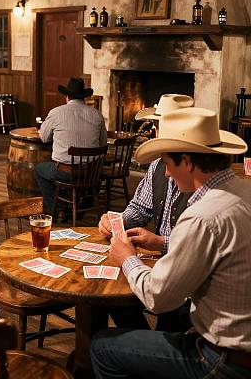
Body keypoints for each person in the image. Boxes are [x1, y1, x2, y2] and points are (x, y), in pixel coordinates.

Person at [91, 107, 251, 378]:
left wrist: (127, 257)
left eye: (167, 163)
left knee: (102, 347)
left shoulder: (202, 216)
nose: (165, 174)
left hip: (221, 359)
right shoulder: (244, 190)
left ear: (187, 162)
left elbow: (157, 298)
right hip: (236, 340)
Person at [98, 94, 195, 331]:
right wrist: (117, 221)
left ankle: (148, 351)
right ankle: (140, 343)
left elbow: (198, 245)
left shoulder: (200, 178)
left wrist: (161, 242)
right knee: (107, 292)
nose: (153, 129)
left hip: (187, 278)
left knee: (105, 347)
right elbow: (140, 208)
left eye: (158, 125)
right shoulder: (157, 166)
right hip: (159, 263)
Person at [34, 78, 107, 220]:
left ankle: (59, 211)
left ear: (66, 96)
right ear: (84, 97)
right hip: (91, 172)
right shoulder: (97, 115)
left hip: (65, 172)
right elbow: (102, 143)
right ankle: (81, 210)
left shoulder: (56, 113)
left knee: (39, 169)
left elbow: (43, 137)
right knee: (96, 176)